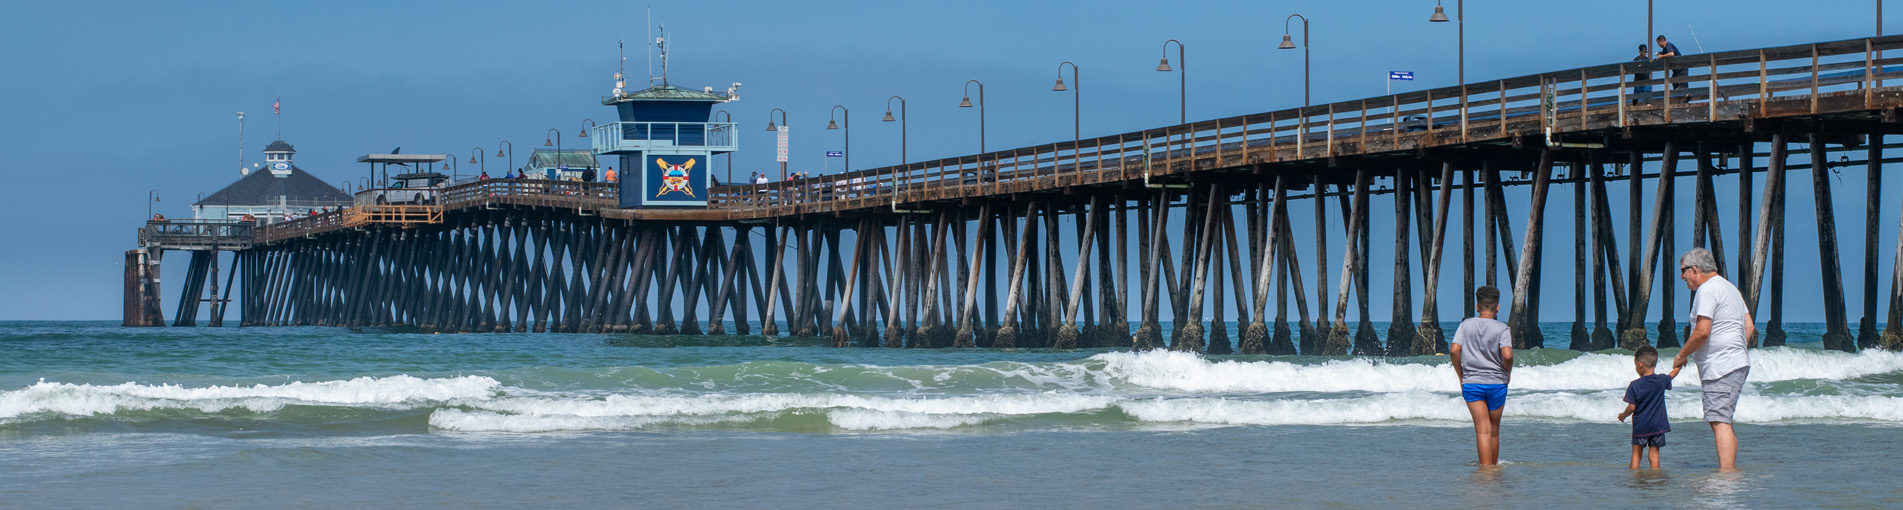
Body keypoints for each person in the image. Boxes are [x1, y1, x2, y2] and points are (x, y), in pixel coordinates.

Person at [1671, 247, 1753, 470]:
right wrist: (1735, 350)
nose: (1682, 277)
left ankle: (1726, 475)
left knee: (1720, 421)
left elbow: (1702, 331)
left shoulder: (1707, 290)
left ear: (1695, 270)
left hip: (1721, 367)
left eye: (1683, 271)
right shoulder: (1731, 289)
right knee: (1723, 420)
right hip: (1736, 363)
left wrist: (1682, 354)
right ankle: (1729, 471)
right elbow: (1749, 326)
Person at [1450, 285, 1513, 466]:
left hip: (1472, 383)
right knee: (1493, 430)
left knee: (1482, 431)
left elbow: (1454, 351)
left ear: (1477, 307)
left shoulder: (1465, 325)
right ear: (1498, 307)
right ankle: (1492, 468)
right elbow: (1507, 355)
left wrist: (1460, 374)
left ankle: (1485, 472)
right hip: (1496, 384)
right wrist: (1507, 372)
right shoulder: (1503, 329)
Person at [1618, 346, 1682, 469]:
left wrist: (1622, 416)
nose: (1636, 368)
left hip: (1641, 426)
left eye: (1635, 365)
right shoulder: (1661, 380)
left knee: (1636, 456)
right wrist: (1679, 364)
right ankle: (1655, 480)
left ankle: (1634, 480)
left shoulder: (1635, 385)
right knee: (1654, 455)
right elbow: (1672, 374)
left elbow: (1631, 407)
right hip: (1658, 425)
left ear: (1640, 364)